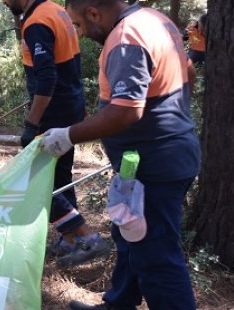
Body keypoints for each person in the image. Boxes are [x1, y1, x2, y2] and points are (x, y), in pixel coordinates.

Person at [42, 0, 200, 308]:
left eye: (79, 25)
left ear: (93, 13)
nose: (81, 33)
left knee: (156, 257)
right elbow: (189, 74)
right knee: (128, 234)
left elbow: (125, 112)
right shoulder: (154, 20)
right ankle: (119, 303)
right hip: (158, 157)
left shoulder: (126, 38)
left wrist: (68, 136)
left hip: (156, 165)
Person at [2, 0, 111, 268]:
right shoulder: (56, 10)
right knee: (60, 177)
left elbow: (47, 78)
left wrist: (31, 124)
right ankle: (71, 239)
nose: (3, 1)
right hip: (70, 104)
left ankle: (88, 237)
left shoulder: (37, 22)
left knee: (37, 180)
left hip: (53, 112)